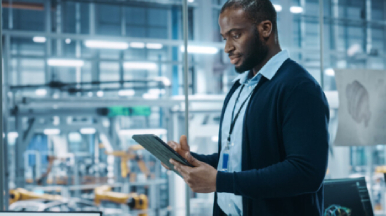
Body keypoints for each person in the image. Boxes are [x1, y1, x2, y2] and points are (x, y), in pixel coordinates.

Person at [163, 0, 330, 215]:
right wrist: (192, 160)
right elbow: (236, 159)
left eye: (236, 35)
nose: (227, 48)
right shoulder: (239, 89)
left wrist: (221, 182)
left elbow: (305, 173)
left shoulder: (298, 87)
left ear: (265, 29)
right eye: (225, 38)